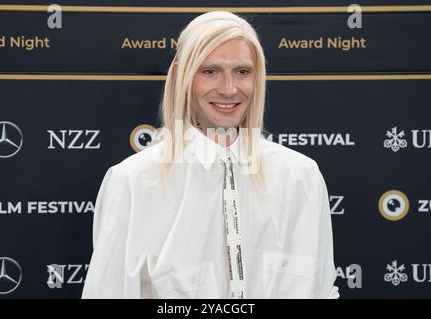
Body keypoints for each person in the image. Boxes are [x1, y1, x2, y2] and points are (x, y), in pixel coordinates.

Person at [82, 11, 339, 299]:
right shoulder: (133, 182)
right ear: (182, 77)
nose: (229, 89)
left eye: (242, 72)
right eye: (210, 71)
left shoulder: (301, 177)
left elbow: (321, 290)